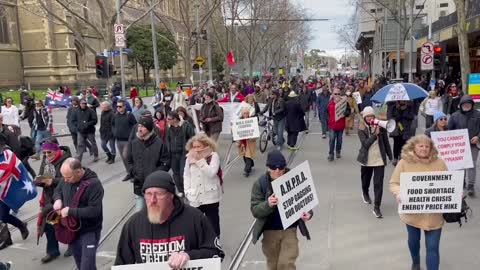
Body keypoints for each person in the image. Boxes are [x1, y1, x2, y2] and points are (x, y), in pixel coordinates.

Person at [114, 170, 224, 266]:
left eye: (158, 194)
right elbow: (121, 264)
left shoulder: (194, 218)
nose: (152, 200)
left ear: (171, 195)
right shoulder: (134, 224)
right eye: (148, 194)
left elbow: (216, 254)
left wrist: (190, 256)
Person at [389, 135, 447, 270]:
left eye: (427, 146)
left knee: (433, 247)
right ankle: (415, 261)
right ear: (413, 147)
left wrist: (455, 194)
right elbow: (394, 183)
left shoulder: (440, 163)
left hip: (434, 214)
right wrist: (398, 193)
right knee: (414, 241)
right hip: (412, 213)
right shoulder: (404, 163)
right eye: (421, 145)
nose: (424, 148)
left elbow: (447, 183)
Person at [250, 150, 312, 270]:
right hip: (270, 231)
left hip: (290, 229)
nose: (277, 170)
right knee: (273, 265)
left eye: (281, 167)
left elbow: (305, 199)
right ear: (268, 167)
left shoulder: (294, 179)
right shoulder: (260, 183)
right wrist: (268, 204)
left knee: (286, 263)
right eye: (273, 167)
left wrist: (308, 213)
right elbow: (255, 210)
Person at [53, 158, 104, 270]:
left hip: (89, 231)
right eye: (64, 177)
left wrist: (70, 211)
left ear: (79, 171)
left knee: (87, 266)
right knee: (81, 264)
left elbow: (94, 210)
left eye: (69, 177)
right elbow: (57, 190)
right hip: (72, 230)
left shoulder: (94, 184)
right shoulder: (66, 178)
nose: (65, 180)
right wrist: (57, 199)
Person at [36, 137, 71, 263]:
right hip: (49, 197)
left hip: (65, 197)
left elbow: (70, 179)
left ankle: (72, 245)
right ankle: (52, 251)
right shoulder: (46, 161)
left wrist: (53, 181)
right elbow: (42, 175)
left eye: (49, 152)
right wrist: (39, 181)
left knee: (66, 223)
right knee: (49, 225)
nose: (46, 155)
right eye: (44, 153)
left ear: (56, 150)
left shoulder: (67, 161)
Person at [127, 116, 170, 211]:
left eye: (143, 126)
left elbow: (166, 163)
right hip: (139, 186)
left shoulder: (159, 143)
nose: (140, 129)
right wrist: (132, 171)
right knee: (139, 212)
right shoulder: (134, 143)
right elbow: (129, 160)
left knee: (156, 212)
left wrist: (155, 175)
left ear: (149, 128)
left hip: (154, 186)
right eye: (139, 126)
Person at [357, 107, 392, 218]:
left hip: (379, 160)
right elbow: (365, 144)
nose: (370, 118)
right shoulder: (361, 128)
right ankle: (365, 192)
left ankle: (377, 207)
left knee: (378, 184)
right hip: (366, 159)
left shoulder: (380, 126)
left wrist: (390, 156)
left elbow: (386, 142)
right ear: (364, 117)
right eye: (368, 116)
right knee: (366, 180)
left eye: (372, 116)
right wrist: (374, 135)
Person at [184, 134, 222, 236]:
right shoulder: (189, 158)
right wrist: (187, 191)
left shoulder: (213, 156)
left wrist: (200, 161)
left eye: (198, 146)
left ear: (205, 145)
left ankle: (215, 242)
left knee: (213, 222)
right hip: (195, 196)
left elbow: (211, 173)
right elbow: (187, 175)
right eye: (194, 147)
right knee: (196, 222)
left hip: (210, 196)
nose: (196, 150)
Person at [0, 133, 30, 249]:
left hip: (8, 189)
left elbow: (7, 170)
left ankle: (21, 225)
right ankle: (6, 239)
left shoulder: (7, 153)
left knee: (3, 215)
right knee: (2, 216)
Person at [448, 95, 480, 197]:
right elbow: (449, 130)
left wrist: (478, 137)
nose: (466, 105)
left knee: (472, 165)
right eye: (464, 104)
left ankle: (471, 185)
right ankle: (461, 182)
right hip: (459, 146)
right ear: (461, 105)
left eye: (468, 103)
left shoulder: (478, 115)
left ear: (472, 104)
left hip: (473, 145)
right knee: (460, 165)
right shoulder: (454, 116)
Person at [165, 111, 195, 196]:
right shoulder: (169, 127)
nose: (167, 120)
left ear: (175, 119)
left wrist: (191, 151)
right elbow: (167, 140)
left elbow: (192, 138)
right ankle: (181, 190)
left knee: (183, 173)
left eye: (169, 119)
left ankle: (187, 189)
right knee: (176, 174)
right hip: (173, 155)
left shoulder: (186, 126)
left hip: (183, 154)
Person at [112, 99, 137, 182]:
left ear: (124, 107)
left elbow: (135, 126)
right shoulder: (115, 115)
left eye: (120, 106)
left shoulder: (129, 115)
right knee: (124, 158)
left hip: (127, 141)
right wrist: (114, 132)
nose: (118, 108)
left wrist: (131, 137)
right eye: (117, 106)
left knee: (127, 156)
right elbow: (112, 125)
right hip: (118, 140)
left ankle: (134, 174)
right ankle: (129, 173)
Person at [388, 101, 415, 166]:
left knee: (404, 143)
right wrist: (399, 115)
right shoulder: (393, 107)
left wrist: (404, 113)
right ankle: (395, 158)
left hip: (406, 129)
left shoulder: (409, 106)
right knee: (396, 143)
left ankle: (403, 157)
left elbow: (412, 117)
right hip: (397, 129)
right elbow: (389, 118)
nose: (402, 101)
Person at [327, 88, 351, 161]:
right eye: (335, 94)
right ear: (333, 95)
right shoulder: (330, 103)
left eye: (338, 94)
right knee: (332, 139)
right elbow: (326, 112)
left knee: (339, 140)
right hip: (332, 125)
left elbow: (348, 111)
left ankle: (338, 151)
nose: (337, 95)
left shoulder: (344, 102)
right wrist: (329, 119)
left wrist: (345, 114)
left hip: (340, 125)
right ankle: (331, 154)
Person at [237, 107, 257, 177]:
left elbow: (255, 132)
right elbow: (236, 131)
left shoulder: (251, 121)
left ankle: (247, 170)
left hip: (249, 141)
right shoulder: (239, 121)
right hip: (242, 142)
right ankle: (251, 163)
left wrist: (252, 137)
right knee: (244, 156)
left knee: (248, 155)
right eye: (244, 113)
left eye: (247, 113)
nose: (245, 114)